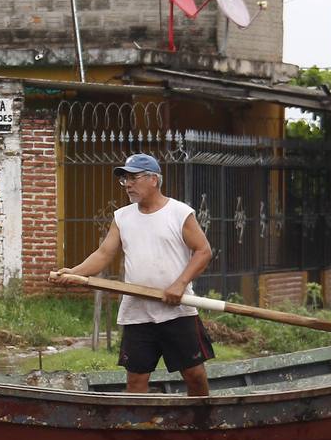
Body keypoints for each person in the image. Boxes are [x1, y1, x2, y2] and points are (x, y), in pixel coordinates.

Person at [51, 154, 215, 397]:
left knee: (195, 376)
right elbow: (104, 253)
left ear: (153, 180)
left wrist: (180, 284)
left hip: (177, 310)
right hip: (137, 313)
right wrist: (74, 273)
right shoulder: (123, 217)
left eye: (133, 178)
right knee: (136, 381)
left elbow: (203, 251)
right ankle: (140, 429)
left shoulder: (179, 213)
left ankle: (202, 426)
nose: (127, 184)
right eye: (124, 179)